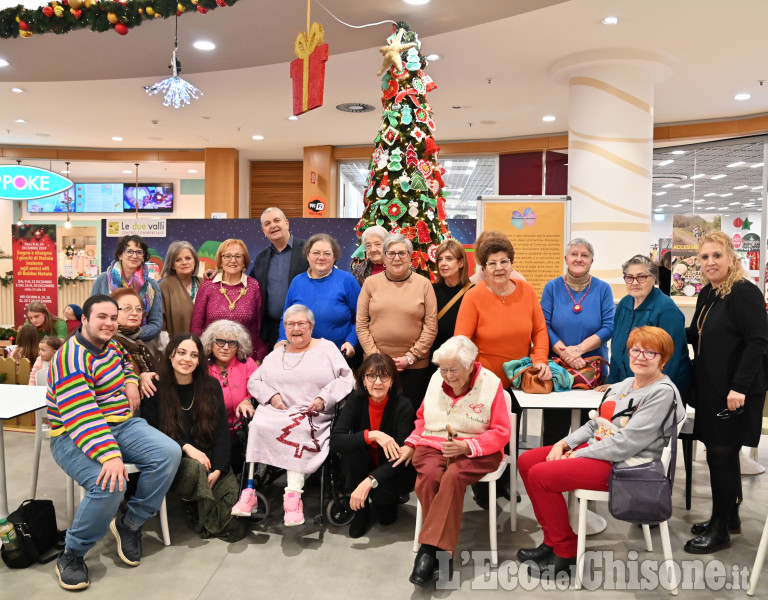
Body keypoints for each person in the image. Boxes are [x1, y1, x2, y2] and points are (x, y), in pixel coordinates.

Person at [517, 326, 685, 581]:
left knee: (542, 475)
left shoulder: (662, 393)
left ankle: (565, 551)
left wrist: (577, 456)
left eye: (650, 353)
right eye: (635, 350)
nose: (640, 357)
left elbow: (627, 444)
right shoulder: (627, 383)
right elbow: (596, 423)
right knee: (527, 461)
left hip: (627, 465)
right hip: (603, 451)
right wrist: (564, 444)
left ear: (664, 359)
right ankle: (551, 541)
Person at [46, 294, 180, 591]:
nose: (109, 323)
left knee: (169, 453)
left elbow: (126, 365)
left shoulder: (113, 344)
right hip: (71, 432)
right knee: (111, 482)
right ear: (83, 320)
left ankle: (130, 523)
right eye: (101, 317)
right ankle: (72, 553)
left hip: (119, 423)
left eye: (112, 317)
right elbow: (82, 415)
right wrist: (110, 456)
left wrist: (132, 381)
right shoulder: (71, 357)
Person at [395, 336, 511, 587]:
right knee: (428, 477)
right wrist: (412, 442)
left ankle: (431, 551)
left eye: (453, 369)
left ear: (471, 365)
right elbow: (422, 419)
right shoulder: (436, 379)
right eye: (443, 369)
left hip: (479, 448)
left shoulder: (491, 383)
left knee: (453, 477)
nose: (447, 375)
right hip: (435, 443)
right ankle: (441, 552)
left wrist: (467, 445)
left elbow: (502, 432)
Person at [684, 231, 768, 554]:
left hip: (735, 391)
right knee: (723, 454)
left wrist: (739, 387)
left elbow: (758, 341)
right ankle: (727, 516)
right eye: (704, 257)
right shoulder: (709, 293)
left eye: (717, 256)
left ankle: (720, 531)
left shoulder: (743, 292)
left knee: (721, 455)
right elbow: (699, 333)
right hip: (711, 387)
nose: (710, 263)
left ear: (731, 257)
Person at [234, 305, 354, 526]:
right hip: (276, 412)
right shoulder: (276, 353)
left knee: (298, 429)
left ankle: (293, 497)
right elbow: (254, 381)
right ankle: (249, 492)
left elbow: (347, 379)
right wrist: (271, 397)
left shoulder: (326, 349)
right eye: (290, 324)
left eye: (301, 324)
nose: (296, 329)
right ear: (284, 327)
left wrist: (324, 398)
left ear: (311, 326)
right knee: (257, 425)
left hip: (311, 414)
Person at [142, 334, 247, 542]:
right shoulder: (155, 389)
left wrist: (218, 467)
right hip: (175, 459)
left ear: (199, 360)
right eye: (181, 352)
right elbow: (151, 432)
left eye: (193, 355)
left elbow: (221, 432)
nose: (186, 359)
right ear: (170, 355)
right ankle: (191, 501)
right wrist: (186, 447)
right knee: (195, 470)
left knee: (234, 524)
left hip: (208, 457)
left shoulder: (211, 386)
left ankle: (203, 498)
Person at [330, 353, 414, 538]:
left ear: (392, 381)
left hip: (389, 470)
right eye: (371, 376)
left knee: (386, 517)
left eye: (384, 376)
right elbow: (335, 441)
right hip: (362, 464)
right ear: (363, 380)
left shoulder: (403, 406)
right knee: (352, 450)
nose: (378, 382)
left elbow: (401, 458)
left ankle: (381, 501)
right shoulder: (355, 400)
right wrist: (373, 435)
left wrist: (370, 481)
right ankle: (361, 511)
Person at [539, 238, 614, 444]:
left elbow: (608, 327)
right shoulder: (552, 287)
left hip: (594, 370)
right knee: (555, 430)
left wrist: (578, 351)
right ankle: (551, 471)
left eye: (584, 255)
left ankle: (582, 473)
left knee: (588, 430)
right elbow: (543, 325)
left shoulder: (603, 289)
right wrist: (565, 354)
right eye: (574, 254)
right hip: (559, 369)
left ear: (591, 261)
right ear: (566, 259)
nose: (578, 259)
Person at [455, 234, 550, 389]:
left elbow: (539, 330)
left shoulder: (527, 290)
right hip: (483, 382)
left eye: (504, 261)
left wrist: (540, 360)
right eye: (492, 263)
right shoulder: (472, 296)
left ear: (511, 265)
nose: (499, 267)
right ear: (484, 269)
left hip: (522, 380)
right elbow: (461, 341)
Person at [356, 233, 438, 413]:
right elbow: (361, 324)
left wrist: (411, 357)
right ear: (384, 257)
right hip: (375, 366)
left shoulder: (424, 284)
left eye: (402, 253)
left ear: (410, 256)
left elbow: (431, 326)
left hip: (414, 367)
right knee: (378, 417)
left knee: (409, 417)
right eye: (391, 253)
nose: (397, 258)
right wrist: (377, 357)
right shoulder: (370, 283)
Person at [597, 254, 691, 393]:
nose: (634, 282)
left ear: (653, 278)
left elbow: (670, 360)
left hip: (660, 392)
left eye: (641, 277)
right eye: (629, 277)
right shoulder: (624, 304)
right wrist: (613, 383)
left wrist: (647, 392)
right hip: (628, 388)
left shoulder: (666, 310)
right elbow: (618, 348)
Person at [277, 233, 360, 357]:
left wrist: (351, 342)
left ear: (334, 257)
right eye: (316, 253)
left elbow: (361, 318)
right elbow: (286, 318)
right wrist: (283, 339)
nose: (321, 257)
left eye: (327, 253)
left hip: (339, 354)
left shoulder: (347, 280)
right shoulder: (297, 281)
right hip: (301, 354)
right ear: (308, 255)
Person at [191, 238, 268, 363]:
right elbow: (196, 326)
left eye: (238, 256)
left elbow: (259, 326)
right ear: (220, 261)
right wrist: (199, 356)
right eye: (227, 256)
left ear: (244, 262)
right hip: (211, 359)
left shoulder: (253, 286)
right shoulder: (207, 286)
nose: (233, 260)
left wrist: (259, 358)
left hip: (244, 358)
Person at [200, 319, 258, 474]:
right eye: (220, 342)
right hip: (211, 434)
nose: (225, 347)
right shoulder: (201, 366)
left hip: (241, 434)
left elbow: (260, 387)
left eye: (232, 343)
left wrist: (248, 400)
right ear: (210, 344)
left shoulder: (247, 364)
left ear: (238, 346)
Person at [249, 207, 309, 349]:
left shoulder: (308, 250)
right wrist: (220, 274)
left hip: (304, 328)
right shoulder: (261, 258)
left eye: (277, 220)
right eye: (267, 224)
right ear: (264, 231)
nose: (273, 226)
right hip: (272, 331)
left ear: (286, 223)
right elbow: (248, 283)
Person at [91, 235, 163, 343]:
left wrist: (131, 335)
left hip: (140, 345)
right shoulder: (103, 280)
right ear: (120, 255)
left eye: (139, 252)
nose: (134, 256)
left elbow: (156, 324)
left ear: (143, 257)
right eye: (129, 251)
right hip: (106, 344)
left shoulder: (151, 285)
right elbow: (92, 314)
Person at [109, 288, 159, 407]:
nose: (134, 313)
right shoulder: (109, 343)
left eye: (138, 309)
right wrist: (139, 378)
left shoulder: (140, 343)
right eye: (127, 308)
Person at [431, 239, 473, 362]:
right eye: (440, 259)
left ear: (460, 263)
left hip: (462, 358)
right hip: (435, 358)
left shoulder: (473, 292)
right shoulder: (430, 290)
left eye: (449, 259)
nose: (443, 263)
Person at [159, 240, 202, 340]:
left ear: (195, 260)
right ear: (172, 265)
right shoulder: (165, 285)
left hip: (202, 348)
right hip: (175, 349)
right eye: (178, 260)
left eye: (188, 258)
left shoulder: (203, 283)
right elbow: (161, 323)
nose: (184, 263)